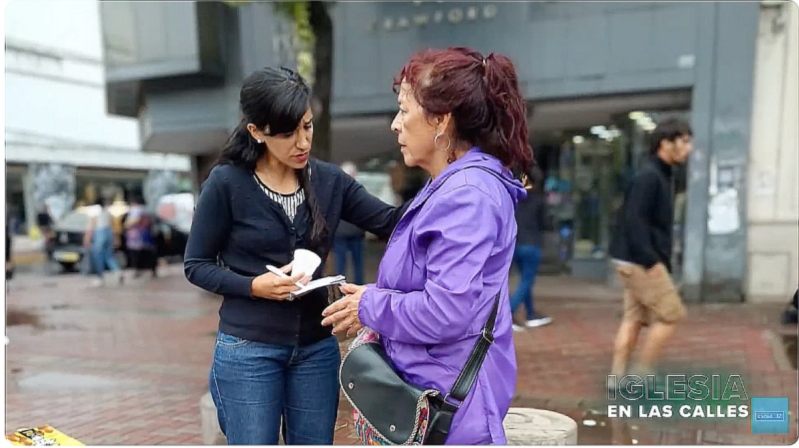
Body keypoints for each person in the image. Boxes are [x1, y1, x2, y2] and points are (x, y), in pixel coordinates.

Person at [183, 66, 408, 446]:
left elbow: (391, 222)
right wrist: (254, 286)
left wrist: (452, 183)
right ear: (256, 132)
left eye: (307, 126)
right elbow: (196, 265)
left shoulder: (329, 180)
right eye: (287, 133)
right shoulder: (227, 183)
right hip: (247, 350)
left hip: (316, 350)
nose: (302, 142)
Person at [322, 47, 531, 445]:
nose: (395, 125)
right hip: (428, 394)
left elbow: (445, 311)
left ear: (441, 119)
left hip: (449, 415)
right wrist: (372, 298)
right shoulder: (451, 184)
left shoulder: (467, 194)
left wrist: (369, 305)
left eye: (403, 110)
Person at [607, 117, 693, 387]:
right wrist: (651, 261)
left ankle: (617, 377)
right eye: (685, 142)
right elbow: (634, 220)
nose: (689, 149)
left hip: (633, 259)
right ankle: (641, 376)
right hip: (640, 261)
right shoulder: (649, 177)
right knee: (671, 314)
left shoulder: (662, 175)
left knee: (634, 318)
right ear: (666, 144)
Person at [510, 165, 551, 331]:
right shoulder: (538, 199)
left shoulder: (514, 198)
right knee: (527, 281)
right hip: (532, 243)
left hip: (515, 243)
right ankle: (508, 313)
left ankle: (531, 313)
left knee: (524, 280)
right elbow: (546, 223)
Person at [333, 162, 366, 285]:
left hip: (340, 233)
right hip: (355, 232)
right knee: (357, 263)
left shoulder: (335, 192)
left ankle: (340, 288)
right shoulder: (359, 191)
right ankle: (358, 287)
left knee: (341, 263)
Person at [84, 196, 122, 288]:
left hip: (99, 233)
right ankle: (117, 272)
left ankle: (100, 277)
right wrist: (116, 238)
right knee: (109, 255)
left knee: (98, 256)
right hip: (108, 232)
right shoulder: (107, 211)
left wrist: (87, 238)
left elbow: (91, 224)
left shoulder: (94, 210)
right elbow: (113, 224)